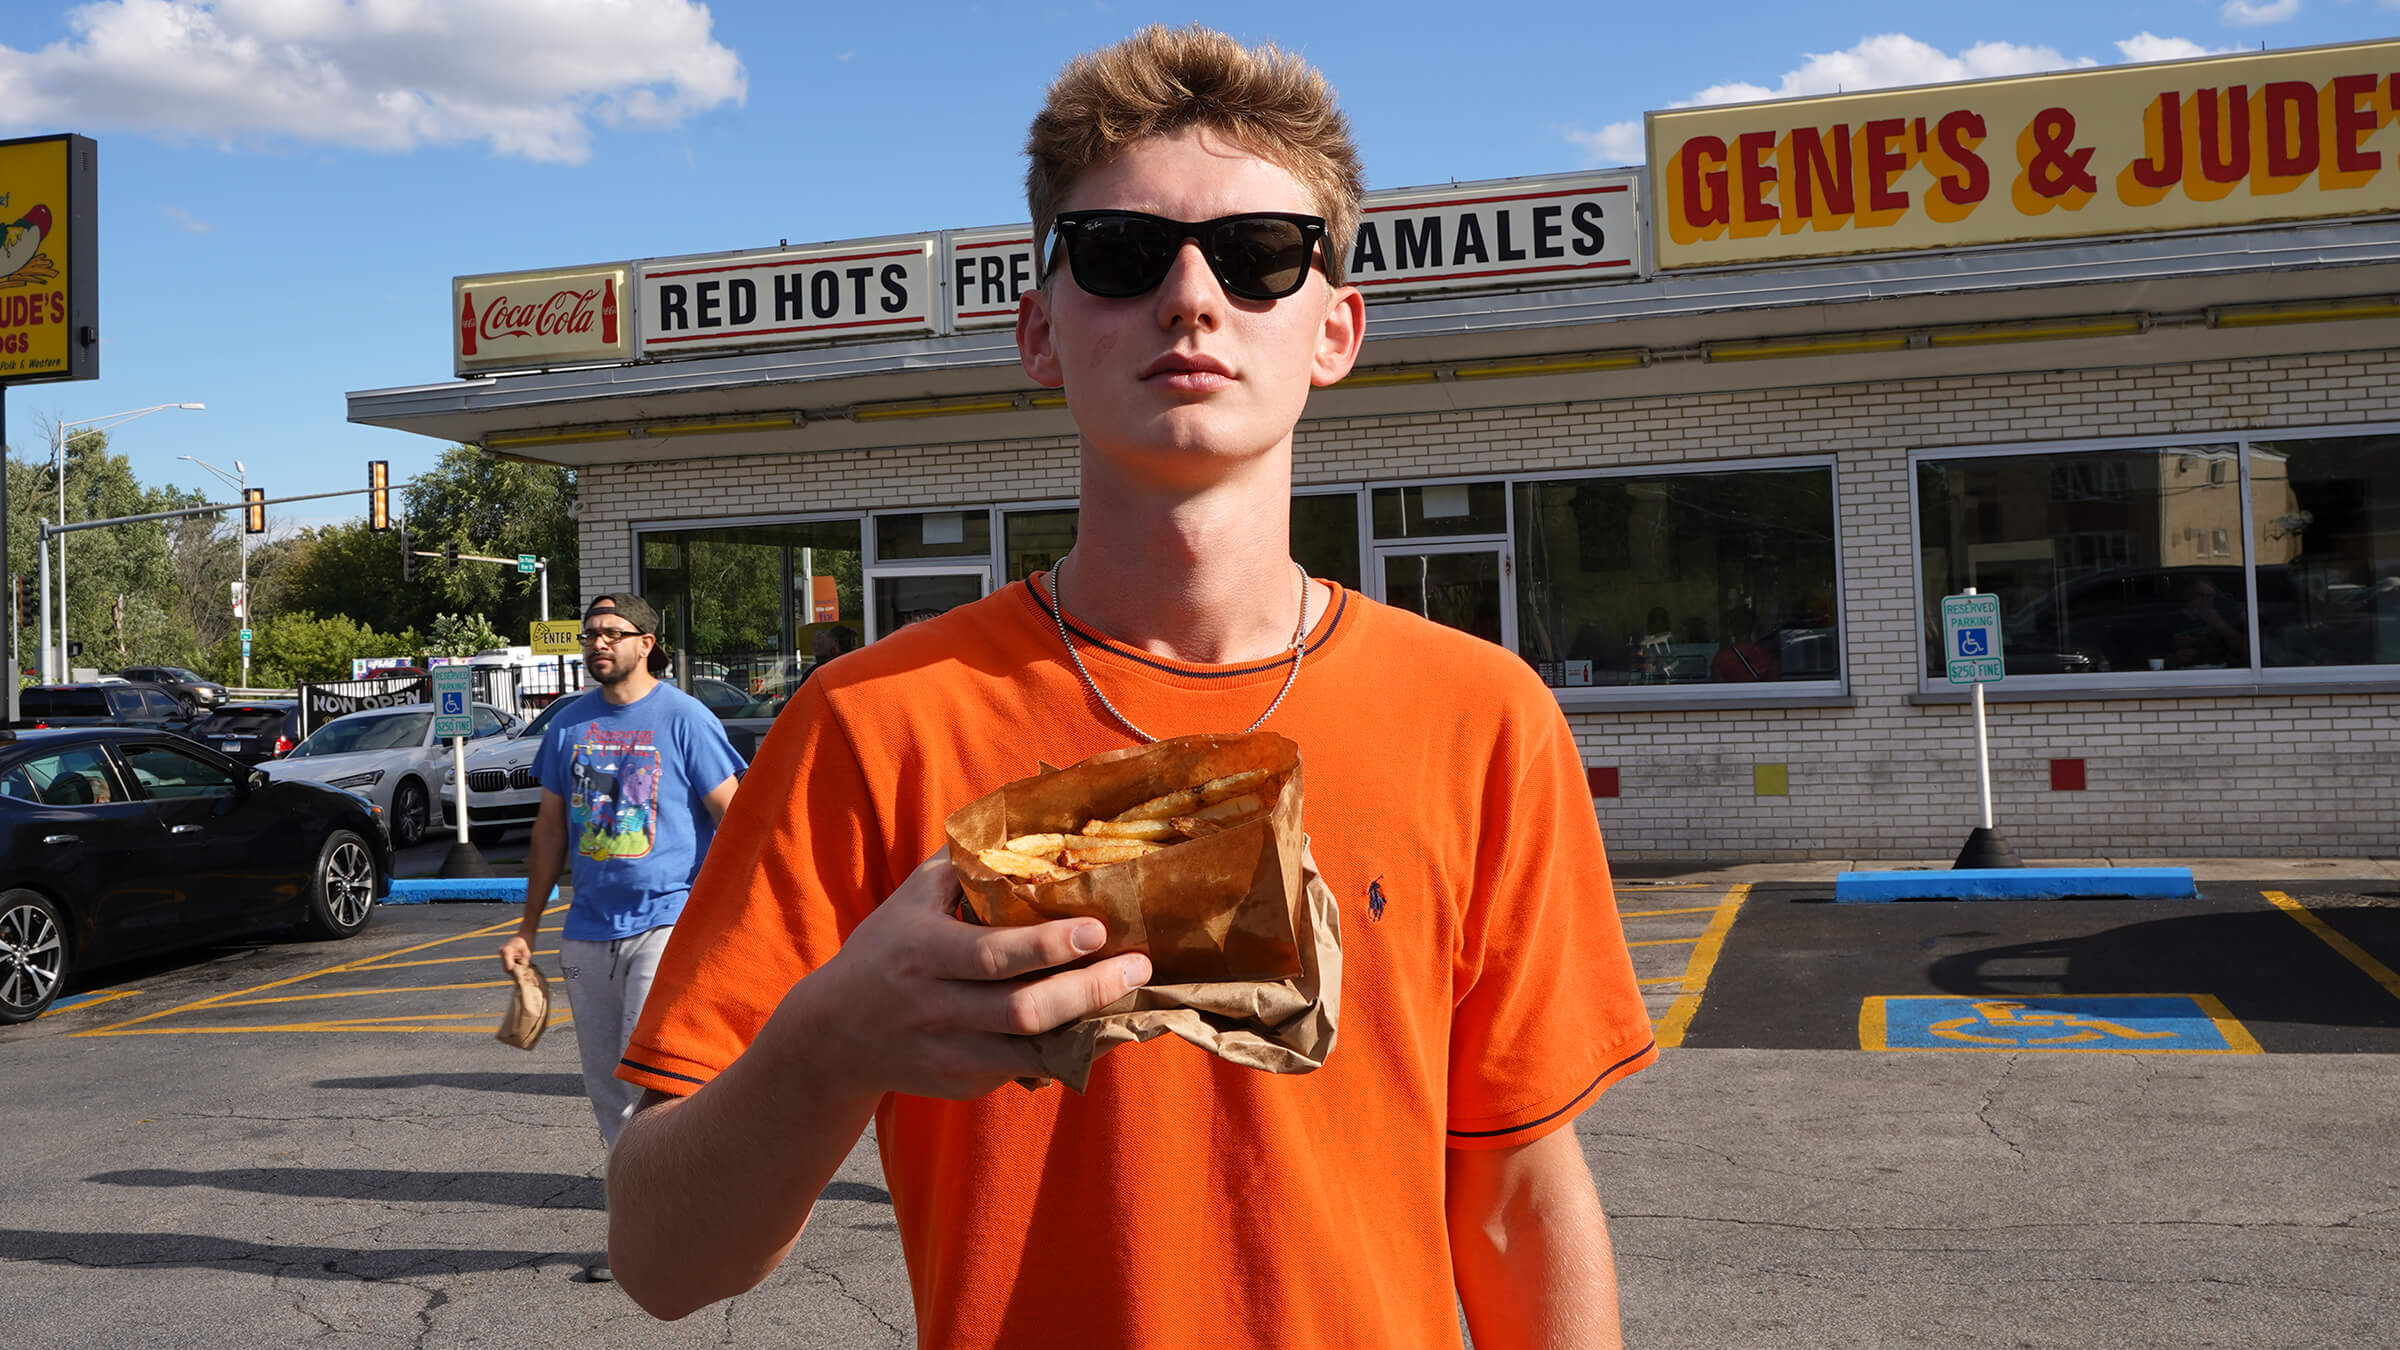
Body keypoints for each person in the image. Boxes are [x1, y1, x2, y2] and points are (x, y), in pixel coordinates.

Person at [607, 26, 1655, 1347]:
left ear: (1335, 328)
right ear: (1040, 329)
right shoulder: (871, 725)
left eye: (1261, 254)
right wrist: (828, 1048)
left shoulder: (1485, 719)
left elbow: (1516, 1198)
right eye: (1121, 253)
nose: (1193, 298)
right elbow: (658, 1257)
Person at [495, 593, 744, 1282]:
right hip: (587, 931)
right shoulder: (569, 727)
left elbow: (737, 818)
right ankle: (654, 1221)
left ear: (647, 642)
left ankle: (665, 1230)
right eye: (590, 634)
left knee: (651, 1083)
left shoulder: (685, 718)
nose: (596, 642)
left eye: (611, 632)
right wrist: (528, 927)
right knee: (608, 1090)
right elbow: (550, 833)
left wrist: (727, 912)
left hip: (666, 922)